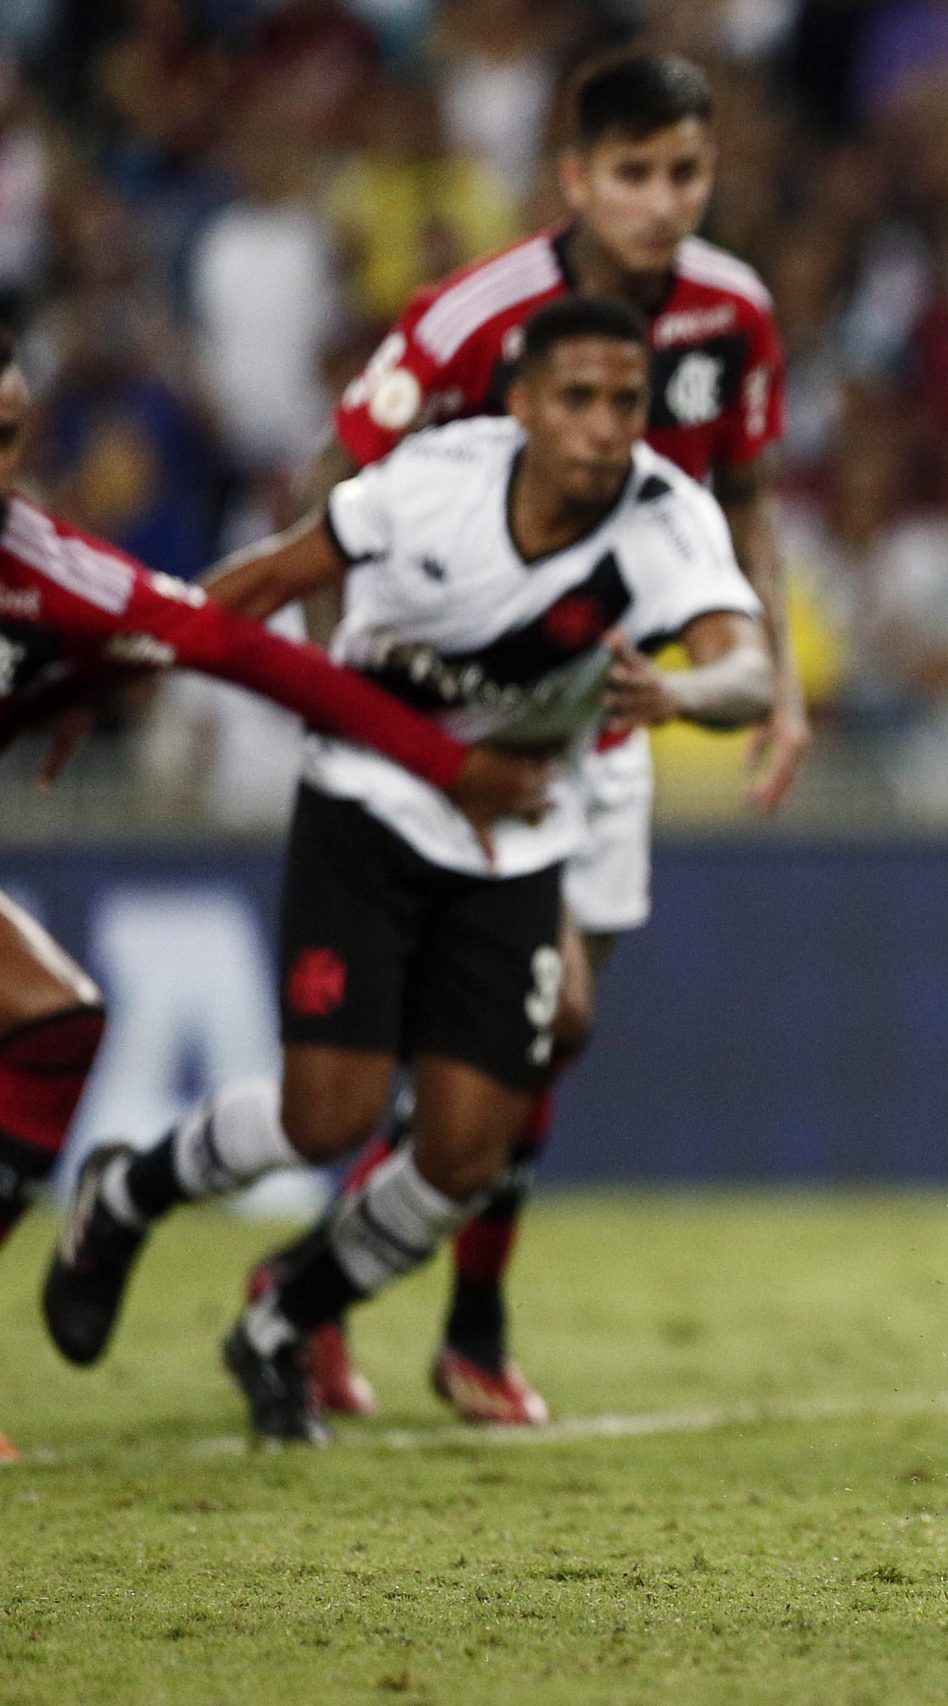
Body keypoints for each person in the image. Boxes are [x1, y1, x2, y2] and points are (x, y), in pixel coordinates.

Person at [39, 297, 772, 1446]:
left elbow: (751, 673)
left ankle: (288, 1313)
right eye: (575, 398)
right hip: (368, 802)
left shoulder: (668, 522)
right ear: (520, 404)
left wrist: (683, 692)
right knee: (325, 1116)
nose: (601, 427)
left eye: (625, 402)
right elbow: (271, 579)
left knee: (467, 1148)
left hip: (516, 831)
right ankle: (129, 1190)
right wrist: (105, 674)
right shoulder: (433, 480)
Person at [287, 51, 803, 1426]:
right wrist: (376, 694)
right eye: (633, 172)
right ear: (575, 176)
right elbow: (338, 478)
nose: (661, 201)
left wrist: (781, 680)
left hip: (615, 710)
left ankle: (448, 1320)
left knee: (552, 1037)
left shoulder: (733, 315)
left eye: (685, 172)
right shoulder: (476, 320)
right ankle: (343, 1298)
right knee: (523, 1015)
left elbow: (747, 500)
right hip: (461, 725)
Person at [0, 327, 550, 1464]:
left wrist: (96, 664)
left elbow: (251, 652)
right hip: (375, 831)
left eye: (7, 438)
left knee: (54, 1025)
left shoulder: (43, 570)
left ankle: (158, 1217)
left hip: (478, 820)